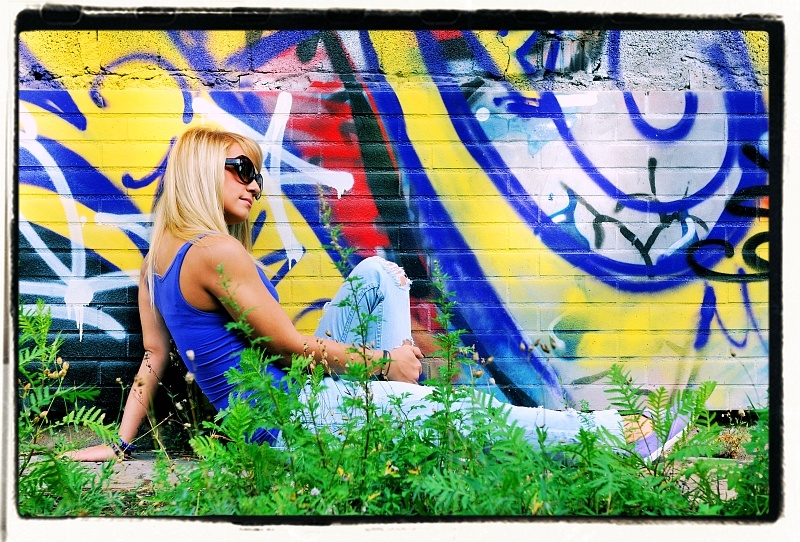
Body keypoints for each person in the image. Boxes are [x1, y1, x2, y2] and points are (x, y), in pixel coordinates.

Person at [69, 126, 647, 462]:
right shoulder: (215, 253)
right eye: (241, 169)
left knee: (378, 273)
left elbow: (153, 358)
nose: (254, 184)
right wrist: (383, 361)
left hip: (281, 412)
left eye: (258, 175)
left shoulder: (155, 265)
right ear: (199, 170)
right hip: (296, 420)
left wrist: (119, 445)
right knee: (467, 415)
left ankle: (395, 408)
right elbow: (289, 347)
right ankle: (613, 435)